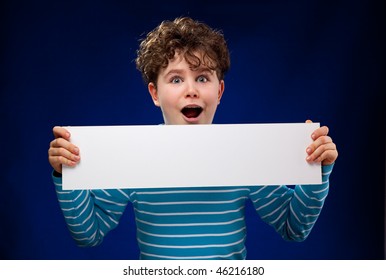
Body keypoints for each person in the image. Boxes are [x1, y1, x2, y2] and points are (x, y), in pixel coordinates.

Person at [48, 17, 338, 260]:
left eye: (202, 78)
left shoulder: (244, 152)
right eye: (176, 79)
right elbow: (89, 233)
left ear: (219, 91)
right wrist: (66, 174)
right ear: (154, 94)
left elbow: (293, 227)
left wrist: (318, 169)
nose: (191, 90)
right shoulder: (134, 154)